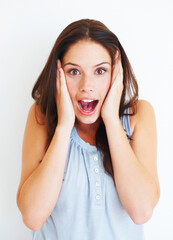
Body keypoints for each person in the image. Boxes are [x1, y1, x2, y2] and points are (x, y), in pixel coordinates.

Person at [16, 18, 160, 240]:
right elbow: (33, 217)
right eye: (74, 72)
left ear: (116, 73)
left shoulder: (138, 115)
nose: (87, 86)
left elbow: (141, 212)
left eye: (100, 71)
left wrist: (111, 119)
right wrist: (64, 126)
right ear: (58, 75)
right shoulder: (41, 117)